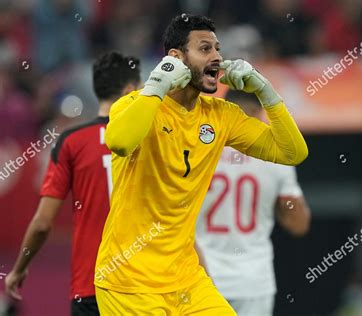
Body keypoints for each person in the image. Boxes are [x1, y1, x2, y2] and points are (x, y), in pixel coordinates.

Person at [95, 14, 308, 315]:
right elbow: (119, 141)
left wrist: (264, 89)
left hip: (186, 281)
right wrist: (157, 85)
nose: (218, 57)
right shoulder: (134, 104)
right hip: (129, 282)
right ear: (176, 58)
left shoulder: (222, 116)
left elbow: (292, 152)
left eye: (218, 49)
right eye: (205, 49)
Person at [4, 52, 141, 316]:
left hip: (90, 287)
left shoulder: (72, 141)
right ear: (131, 89)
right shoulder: (151, 140)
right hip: (144, 286)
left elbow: (43, 223)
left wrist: (19, 269)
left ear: (96, 90)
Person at [195, 90, 311, 316]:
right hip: (253, 280)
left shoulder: (200, 149)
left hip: (201, 275)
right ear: (259, 112)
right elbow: (298, 225)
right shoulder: (276, 156)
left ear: (226, 109)